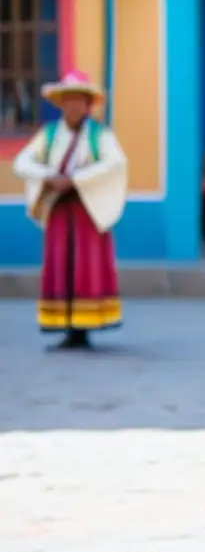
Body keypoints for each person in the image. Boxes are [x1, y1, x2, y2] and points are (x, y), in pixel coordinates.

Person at [12, 70, 128, 350]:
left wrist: (76, 179)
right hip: (60, 211)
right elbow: (22, 162)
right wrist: (50, 176)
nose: (74, 106)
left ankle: (84, 327)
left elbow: (115, 163)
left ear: (88, 104)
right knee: (60, 265)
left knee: (85, 265)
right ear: (61, 104)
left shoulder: (100, 135)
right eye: (69, 100)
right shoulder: (49, 135)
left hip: (87, 209)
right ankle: (66, 325)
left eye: (79, 100)